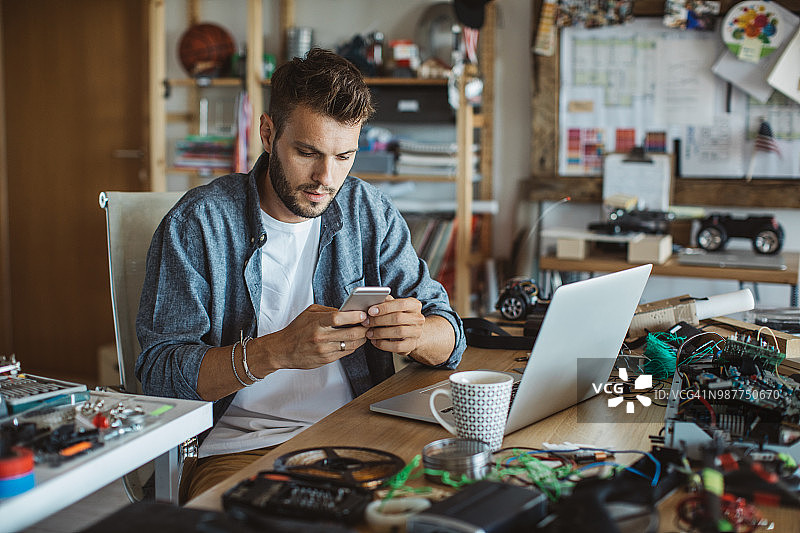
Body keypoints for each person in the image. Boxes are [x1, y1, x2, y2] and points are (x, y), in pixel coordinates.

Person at [135, 48, 466, 502]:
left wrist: (417, 334)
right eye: (307, 152)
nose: (326, 179)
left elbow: (450, 333)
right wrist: (275, 351)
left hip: (357, 434)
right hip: (239, 448)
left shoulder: (368, 211)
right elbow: (157, 374)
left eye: (344, 156)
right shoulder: (199, 224)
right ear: (268, 133)